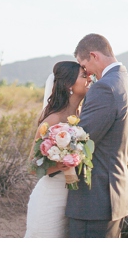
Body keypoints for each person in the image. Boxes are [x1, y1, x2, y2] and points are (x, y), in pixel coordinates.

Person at [66, 33, 128, 238]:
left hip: (95, 199)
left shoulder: (105, 87)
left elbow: (81, 140)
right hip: (113, 194)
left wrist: (57, 138)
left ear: (93, 55)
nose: (86, 74)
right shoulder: (127, 82)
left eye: (83, 65)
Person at [23, 61, 91, 238]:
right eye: (84, 76)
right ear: (69, 85)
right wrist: (59, 165)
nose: (89, 79)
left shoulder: (82, 116)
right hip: (50, 200)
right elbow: (31, 166)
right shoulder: (53, 120)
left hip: (74, 201)